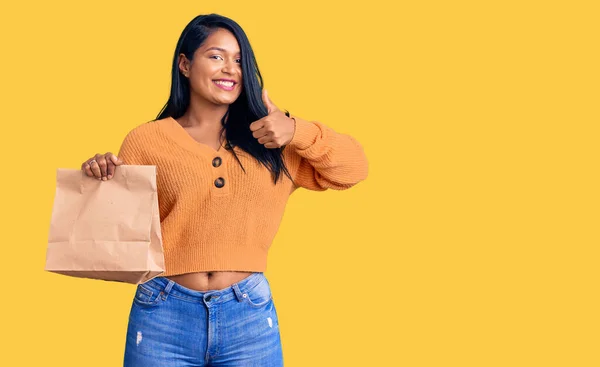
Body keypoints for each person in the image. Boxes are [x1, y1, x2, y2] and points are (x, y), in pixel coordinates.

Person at [81, 13, 368, 367]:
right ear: (185, 65)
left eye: (238, 60)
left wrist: (296, 130)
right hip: (162, 312)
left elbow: (355, 169)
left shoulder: (270, 137)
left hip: (247, 315)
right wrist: (101, 177)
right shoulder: (146, 140)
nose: (230, 69)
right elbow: (123, 231)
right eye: (216, 56)